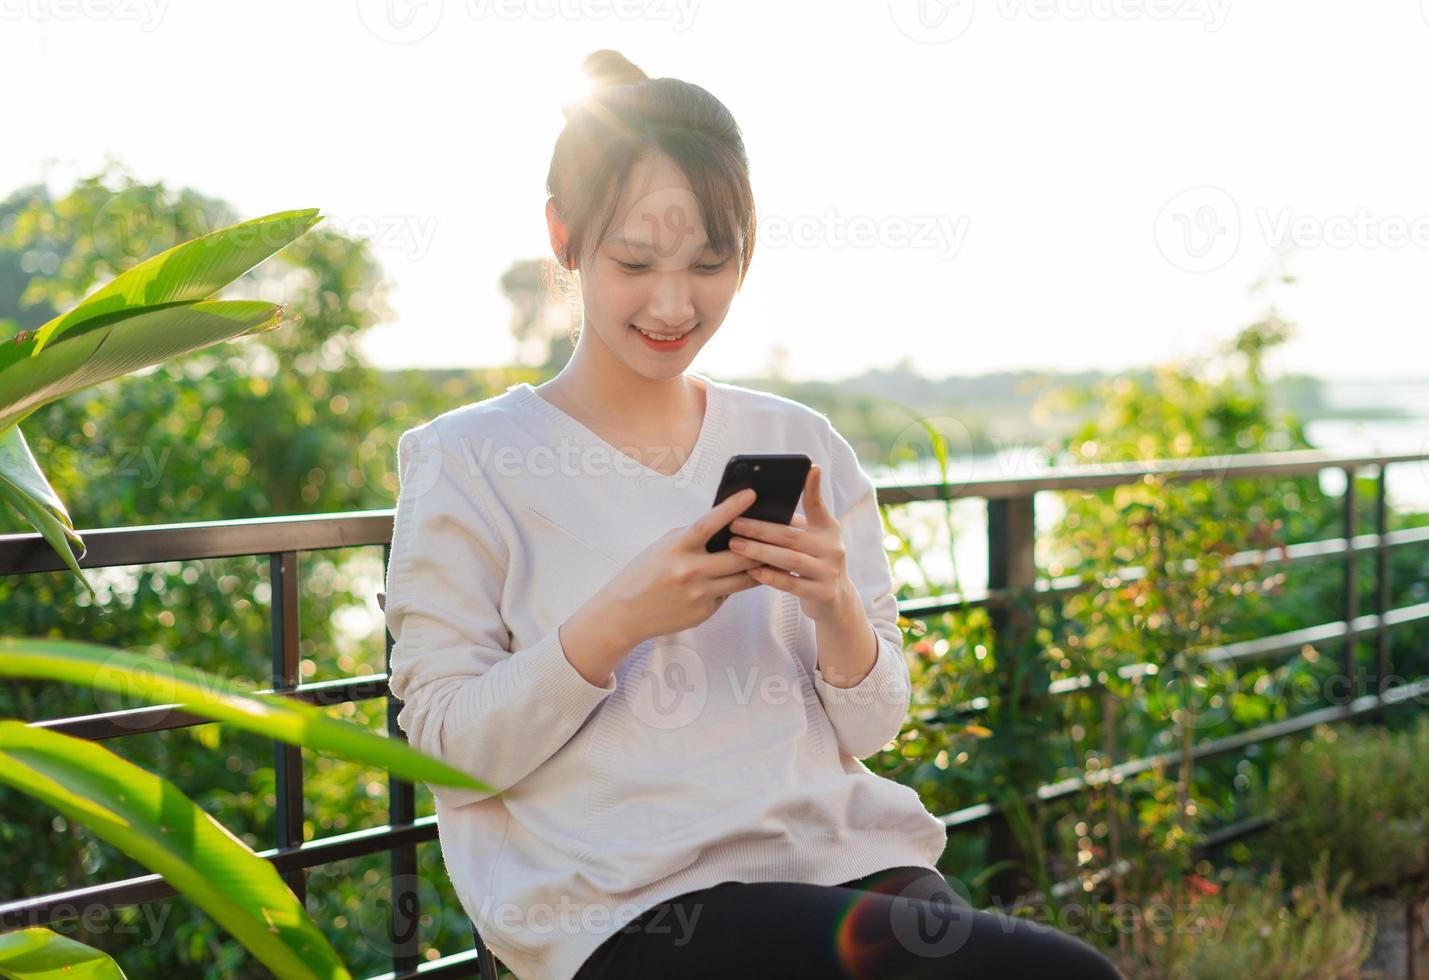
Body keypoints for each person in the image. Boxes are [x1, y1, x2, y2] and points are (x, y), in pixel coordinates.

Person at [384, 49, 1123, 980]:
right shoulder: (467, 458)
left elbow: (872, 728)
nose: (671, 303)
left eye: (709, 263)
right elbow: (450, 751)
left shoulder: (798, 440)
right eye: (634, 261)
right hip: (627, 904)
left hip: (850, 865)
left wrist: (834, 607)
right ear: (562, 236)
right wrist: (619, 619)